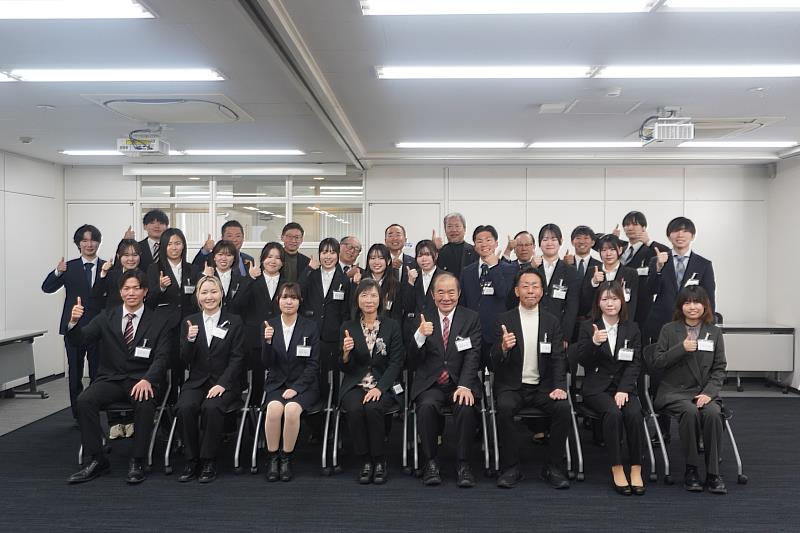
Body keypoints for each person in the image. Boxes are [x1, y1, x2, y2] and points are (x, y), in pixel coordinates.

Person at [65, 270, 169, 484]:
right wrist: (74, 323)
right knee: (84, 400)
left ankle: (138, 460)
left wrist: (148, 379)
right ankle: (97, 459)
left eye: (136, 288)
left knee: (145, 403)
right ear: (120, 292)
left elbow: (163, 357)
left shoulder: (159, 320)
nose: (131, 293)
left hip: (141, 380)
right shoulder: (106, 316)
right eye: (126, 288)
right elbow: (80, 340)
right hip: (111, 379)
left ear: (145, 291)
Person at [490, 268, 571, 490]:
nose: (530, 291)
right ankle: (511, 467)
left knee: (563, 408)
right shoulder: (503, 320)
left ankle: (553, 467)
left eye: (535, 286)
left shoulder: (551, 321)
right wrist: (503, 348)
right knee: (504, 408)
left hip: (543, 387)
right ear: (517, 291)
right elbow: (492, 360)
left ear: (542, 291)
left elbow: (558, 358)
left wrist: (560, 387)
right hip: (512, 386)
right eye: (525, 286)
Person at [646, 286, 727, 494]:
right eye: (687, 302)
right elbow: (657, 362)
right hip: (674, 391)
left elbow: (719, 368)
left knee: (713, 413)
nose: (692, 307)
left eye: (697, 302)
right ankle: (691, 470)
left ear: (705, 305)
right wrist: (681, 348)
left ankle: (713, 473)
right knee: (690, 412)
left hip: (703, 392)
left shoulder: (714, 332)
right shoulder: (669, 329)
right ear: (680, 306)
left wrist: (709, 393)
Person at [408, 272, 481, 487]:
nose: (446, 297)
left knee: (466, 407)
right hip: (431, 383)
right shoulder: (422, 318)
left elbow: (473, 355)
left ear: (459, 293)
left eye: (451, 292)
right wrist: (420, 336)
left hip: (460, 381)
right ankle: (430, 462)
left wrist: (465, 385)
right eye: (440, 292)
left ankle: (463, 464)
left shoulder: (471, 318)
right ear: (433, 295)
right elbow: (411, 360)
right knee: (426, 407)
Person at [577, 281, 645, 496]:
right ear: (598, 302)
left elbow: (635, 363)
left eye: (614, 299)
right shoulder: (588, 327)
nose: (610, 303)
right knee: (613, 414)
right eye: (605, 299)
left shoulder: (632, 328)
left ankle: (636, 467)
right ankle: (617, 467)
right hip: (597, 388)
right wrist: (594, 343)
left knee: (635, 414)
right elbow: (582, 360)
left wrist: (624, 389)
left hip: (624, 387)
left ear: (622, 301)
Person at [177, 275, 245, 483]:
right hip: (197, 381)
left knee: (211, 407)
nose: (209, 297)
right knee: (185, 407)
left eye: (213, 292)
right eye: (204, 292)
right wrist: (190, 339)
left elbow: (238, 358)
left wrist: (222, 384)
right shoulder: (189, 322)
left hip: (225, 382)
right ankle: (191, 459)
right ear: (198, 296)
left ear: (221, 294)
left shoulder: (234, 321)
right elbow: (184, 359)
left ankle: (209, 460)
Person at [339, 279, 405, 484]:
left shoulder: (392, 326)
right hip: (356, 384)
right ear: (357, 300)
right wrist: (346, 354)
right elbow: (345, 368)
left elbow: (396, 362)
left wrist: (379, 388)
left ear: (380, 299)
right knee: (355, 409)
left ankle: (379, 459)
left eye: (373, 295)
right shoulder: (348, 327)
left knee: (373, 407)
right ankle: (365, 460)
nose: (369, 300)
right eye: (364, 295)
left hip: (384, 384)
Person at [42, 224, 106, 421]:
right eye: (84, 240)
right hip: (73, 328)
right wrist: (57, 272)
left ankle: (94, 410)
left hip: (99, 329)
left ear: (99, 242)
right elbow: (47, 288)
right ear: (78, 244)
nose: (89, 244)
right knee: (75, 372)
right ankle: (78, 415)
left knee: (97, 372)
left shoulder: (107, 267)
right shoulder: (69, 267)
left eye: (93, 240)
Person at [261, 282, 320, 482]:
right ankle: (273, 457)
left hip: (305, 385)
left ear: (300, 301)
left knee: (292, 410)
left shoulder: (310, 327)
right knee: (273, 410)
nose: (289, 301)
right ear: (278, 300)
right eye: (285, 297)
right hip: (277, 383)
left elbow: (313, 364)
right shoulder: (269, 325)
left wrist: (296, 388)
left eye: (293, 298)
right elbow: (266, 363)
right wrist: (267, 342)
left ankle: (286, 457)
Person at [299, 238, 351, 441]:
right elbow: (297, 293)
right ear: (319, 254)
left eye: (332, 252)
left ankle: (335, 425)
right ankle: (316, 427)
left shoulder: (344, 279)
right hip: (311, 336)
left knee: (334, 382)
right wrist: (308, 270)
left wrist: (343, 336)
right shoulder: (310, 275)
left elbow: (346, 312)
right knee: (313, 380)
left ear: (338, 255)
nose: (328, 256)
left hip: (333, 338)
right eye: (324, 252)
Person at [93, 238, 142, 438]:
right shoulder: (111, 274)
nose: (130, 259)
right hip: (112, 331)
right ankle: (115, 422)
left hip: (136, 329)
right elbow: (96, 296)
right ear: (118, 256)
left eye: (134, 254)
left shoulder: (145, 276)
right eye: (126, 255)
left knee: (133, 373)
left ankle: (130, 420)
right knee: (112, 374)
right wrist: (103, 274)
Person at [645, 216, 716, 344]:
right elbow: (651, 290)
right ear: (668, 236)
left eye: (685, 231)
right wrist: (658, 268)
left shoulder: (703, 264)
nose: (680, 235)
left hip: (693, 324)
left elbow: (709, 297)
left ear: (692, 236)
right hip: (661, 323)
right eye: (676, 231)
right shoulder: (657, 261)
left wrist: (709, 326)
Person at [459, 224, 515, 366]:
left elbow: (503, 294)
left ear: (496, 243)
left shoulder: (509, 269)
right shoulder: (467, 271)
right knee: (471, 372)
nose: (484, 244)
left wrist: (493, 267)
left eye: (488, 240)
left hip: (496, 333)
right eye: (479, 241)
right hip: (472, 333)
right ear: (474, 245)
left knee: (498, 371)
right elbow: (463, 303)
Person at [237, 242, 286, 404]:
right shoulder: (251, 279)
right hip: (254, 337)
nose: (273, 261)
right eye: (269, 256)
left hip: (280, 337)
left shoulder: (287, 283)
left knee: (278, 377)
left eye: (278, 258)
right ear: (262, 259)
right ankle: (255, 411)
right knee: (256, 380)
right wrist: (249, 278)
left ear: (282, 262)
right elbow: (238, 303)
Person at [617, 211, 667, 328]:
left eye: (635, 224)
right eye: (627, 225)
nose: (630, 228)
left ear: (644, 227)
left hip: (642, 305)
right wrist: (614, 239)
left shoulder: (651, 249)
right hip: (619, 303)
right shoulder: (621, 249)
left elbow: (668, 253)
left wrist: (649, 242)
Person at [535, 224, 580, 348]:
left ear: (561, 241)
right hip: (533, 326)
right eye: (545, 239)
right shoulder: (533, 268)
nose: (549, 243)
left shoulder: (570, 271)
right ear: (539, 243)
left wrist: (566, 335)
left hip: (558, 329)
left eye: (553, 239)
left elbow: (572, 307)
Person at [582, 234, 639, 322]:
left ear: (620, 250)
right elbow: (585, 299)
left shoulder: (630, 273)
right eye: (604, 250)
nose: (608, 254)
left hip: (621, 321)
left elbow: (632, 303)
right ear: (599, 252)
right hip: (596, 321)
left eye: (612, 249)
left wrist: (627, 324)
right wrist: (594, 282)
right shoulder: (592, 271)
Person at [356, 243, 413, 324]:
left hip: (388, 329)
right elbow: (354, 310)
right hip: (363, 327)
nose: (376, 262)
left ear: (388, 261)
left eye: (381, 258)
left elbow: (397, 315)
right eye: (372, 258)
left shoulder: (395, 285)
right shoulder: (360, 281)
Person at [569, 225, 602, 340]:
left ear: (593, 242)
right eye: (578, 238)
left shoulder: (600, 266)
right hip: (569, 321)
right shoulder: (565, 265)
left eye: (586, 238)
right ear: (572, 242)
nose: (582, 241)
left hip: (591, 320)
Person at [202, 240, 249, 310]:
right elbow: (195, 301)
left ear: (234, 258)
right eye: (220, 254)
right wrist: (205, 278)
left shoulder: (241, 280)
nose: (224, 258)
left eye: (228, 255)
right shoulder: (203, 277)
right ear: (214, 257)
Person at [435, 212, 478, 278]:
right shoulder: (440, 252)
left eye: (457, 226)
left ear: (464, 229)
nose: (454, 230)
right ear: (445, 230)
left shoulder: (474, 251)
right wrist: (434, 249)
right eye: (449, 226)